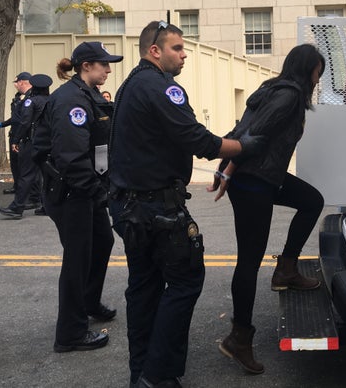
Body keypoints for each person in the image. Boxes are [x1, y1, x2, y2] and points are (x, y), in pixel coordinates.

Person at [108, 21, 266, 388]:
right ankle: (157, 374)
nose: (184, 55)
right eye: (177, 48)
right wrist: (245, 147)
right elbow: (199, 141)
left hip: (132, 207)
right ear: (155, 51)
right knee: (185, 280)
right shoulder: (162, 87)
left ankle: (141, 374)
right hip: (156, 210)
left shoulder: (132, 83)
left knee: (144, 288)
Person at [209, 43, 326, 375]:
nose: (319, 77)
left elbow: (243, 128)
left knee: (311, 201)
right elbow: (252, 135)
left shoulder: (272, 89)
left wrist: (226, 169)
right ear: (308, 69)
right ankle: (239, 338)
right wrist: (226, 170)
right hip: (253, 184)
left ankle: (287, 269)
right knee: (248, 262)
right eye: (318, 70)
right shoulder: (288, 96)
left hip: (264, 178)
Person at [32, 42, 122, 353]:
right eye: (104, 64)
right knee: (77, 259)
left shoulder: (87, 96)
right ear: (86, 66)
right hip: (72, 192)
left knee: (102, 242)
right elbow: (70, 157)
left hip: (86, 190)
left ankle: (87, 302)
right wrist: (100, 192)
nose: (109, 70)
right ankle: (70, 334)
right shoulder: (72, 101)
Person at [0, 74, 53, 219]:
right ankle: (47, 206)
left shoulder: (31, 102)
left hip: (32, 142)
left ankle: (17, 208)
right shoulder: (51, 101)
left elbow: (25, 122)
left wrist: (16, 140)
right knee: (46, 176)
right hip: (48, 143)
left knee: (26, 175)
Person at [0, 73, 32, 195]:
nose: (15, 85)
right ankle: (17, 186)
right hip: (15, 134)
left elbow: (24, 120)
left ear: (21, 82)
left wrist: (17, 139)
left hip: (22, 136)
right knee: (15, 164)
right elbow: (15, 118)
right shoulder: (18, 97)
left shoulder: (29, 98)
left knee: (23, 165)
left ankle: (26, 190)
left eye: (15, 83)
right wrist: (1, 124)